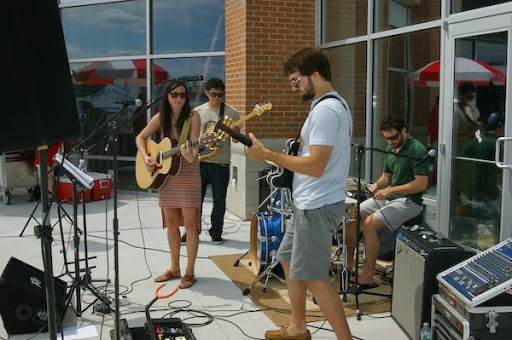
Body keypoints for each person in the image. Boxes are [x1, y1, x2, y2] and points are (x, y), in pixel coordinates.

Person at [246, 47, 353, 340]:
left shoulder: (326, 111)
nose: (294, 88)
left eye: (296, 81)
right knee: (288, 259)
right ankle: (297, 327)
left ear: (314, 75)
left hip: (315, 208)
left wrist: (268, 154)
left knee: (315, 278)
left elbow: (316, 166)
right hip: (307, 203)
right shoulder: (325, 105)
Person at [346, 114, 429, 288]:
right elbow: (386, 176)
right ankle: (349, 265)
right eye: (387, 138)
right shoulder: (391, 148)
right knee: (353, 214)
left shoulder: (416, 150)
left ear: (403, 131)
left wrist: (390, 189)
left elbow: (421, 184)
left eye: (394, 137)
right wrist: (377, 185)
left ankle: (367, 275)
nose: (390, 142)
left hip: (409, 202)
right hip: (391, 199)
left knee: (369, 223)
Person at [135, 81, 201, 289]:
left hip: (188, 174)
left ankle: (189, 271)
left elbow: (193, 153)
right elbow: (140, 137)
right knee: (171, 222)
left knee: (190, 225)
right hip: (167, 175)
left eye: (183, 95)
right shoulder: (160, 117)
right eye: (175, 95)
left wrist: (190, 151)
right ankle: (174, 267)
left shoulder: (193, 116)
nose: (179, 99)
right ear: (167, 96)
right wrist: (146, 157)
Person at [194, 77, 240, 244]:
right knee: (195, 199)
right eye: (213, 94)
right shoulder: (198, 111)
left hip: (221, 162)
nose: (217, 98)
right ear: (207, 92)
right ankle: (192, 230)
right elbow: (193, 137)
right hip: (201, 161)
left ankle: (216, 231)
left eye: (220, 95)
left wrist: (235, 132)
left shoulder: (231, 112)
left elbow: (235, 141)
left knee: (219, 199)